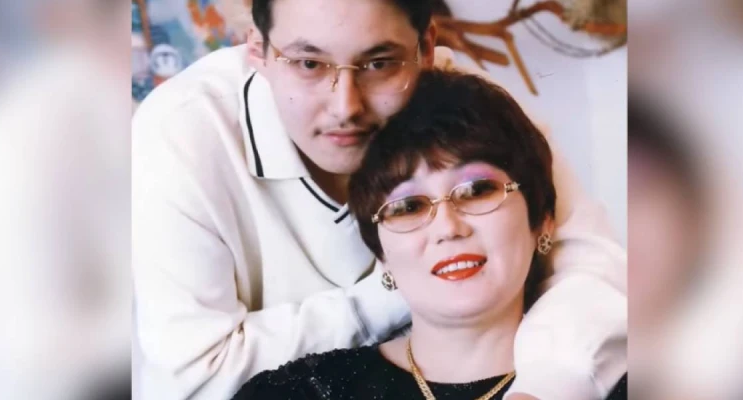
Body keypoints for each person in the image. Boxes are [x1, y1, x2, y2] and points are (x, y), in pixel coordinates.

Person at [131, 0, 627, 398]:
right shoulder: (183, 133)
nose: (345, 105)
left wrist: (545, 389)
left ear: (426, 48)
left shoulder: (469, 110)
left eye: (379, 63)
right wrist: (410, 281)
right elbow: (193, 382)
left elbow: (595, 269)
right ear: (256, 50)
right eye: (309, 63)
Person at [234, 70, 627, 400]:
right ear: (382, 253)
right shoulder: (290, 393)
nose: (448, 228)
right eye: (409, 207)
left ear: (542, 221)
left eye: (477, 191)